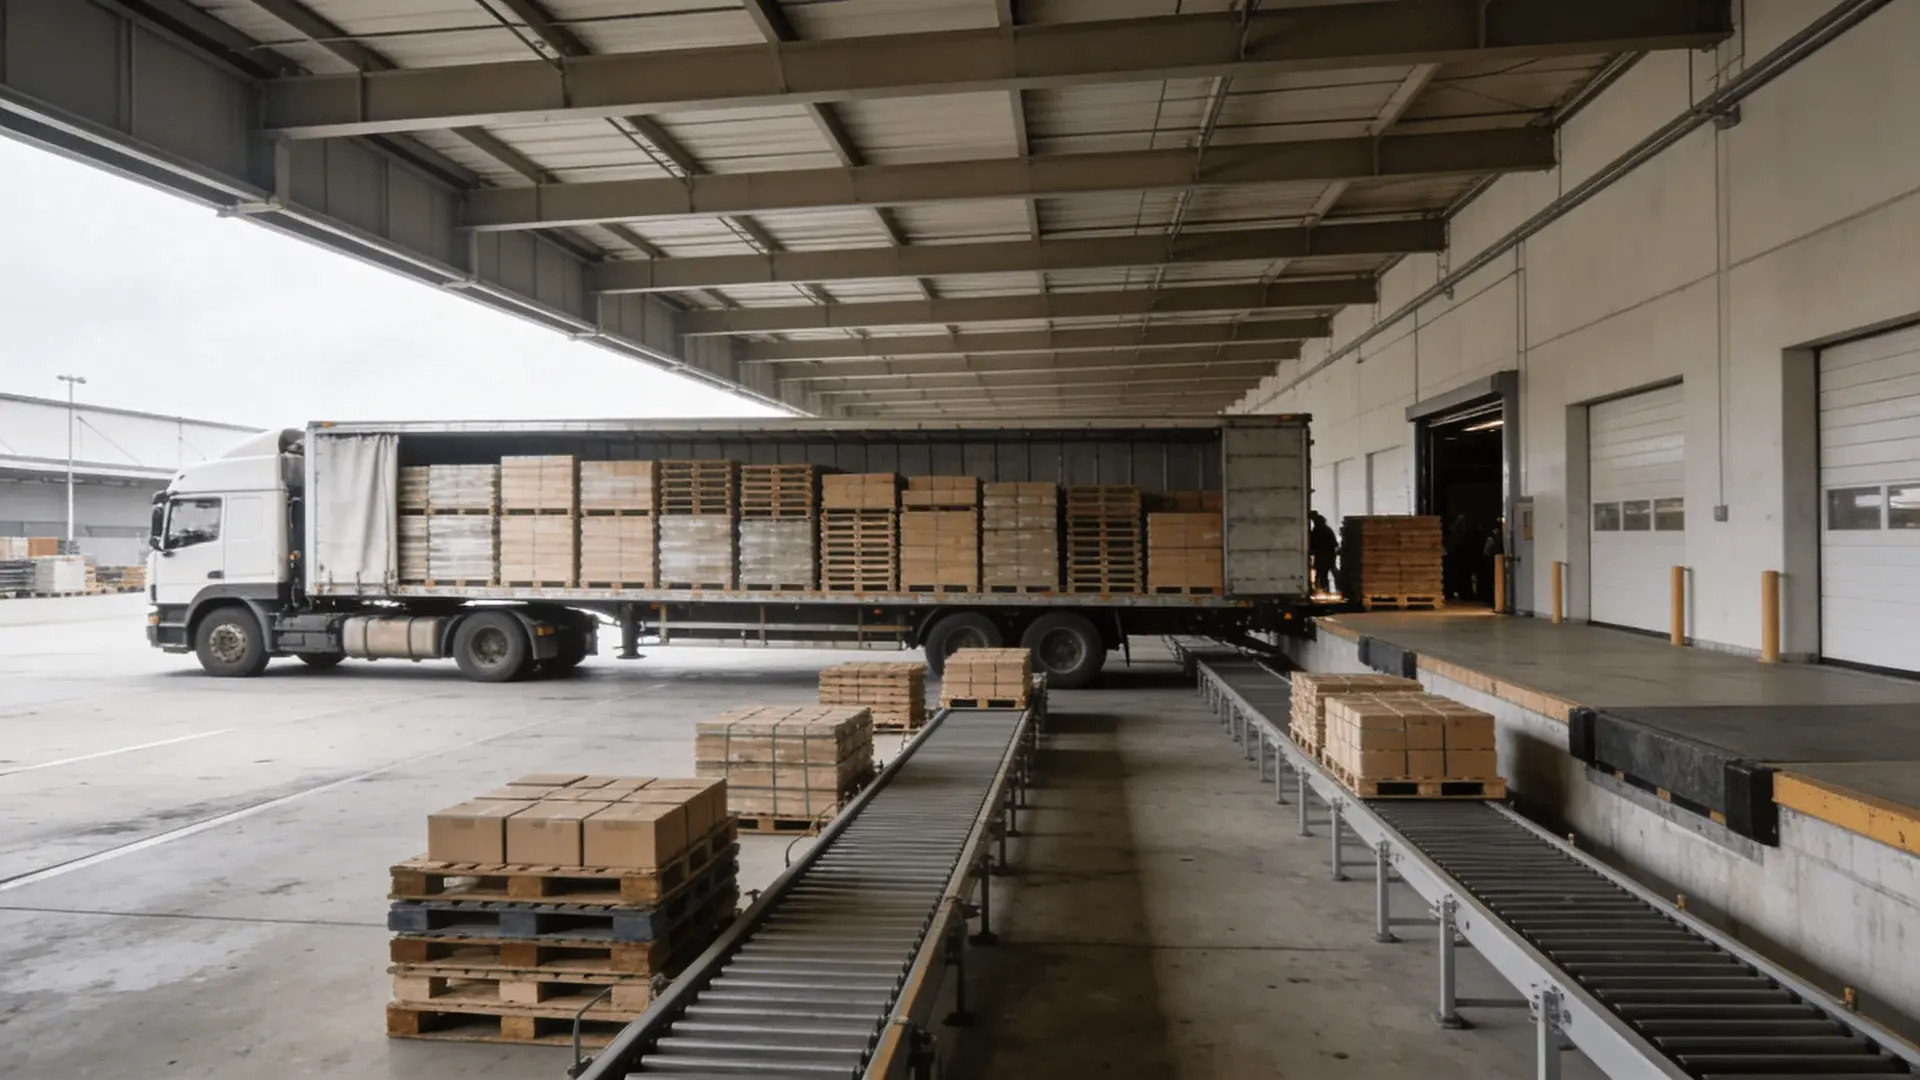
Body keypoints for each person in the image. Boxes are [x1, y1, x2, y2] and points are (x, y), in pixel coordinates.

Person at [1309, 511, 1339, 596]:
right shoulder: (1327, 529)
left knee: (1322, 575)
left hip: (1322, 556)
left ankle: (1324, 591)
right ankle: (1329, 590)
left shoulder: (1317, 530)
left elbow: (1313, 544)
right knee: (1329, 573)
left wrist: (1311, 551)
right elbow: (1335, 544)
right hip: (1329, 555)